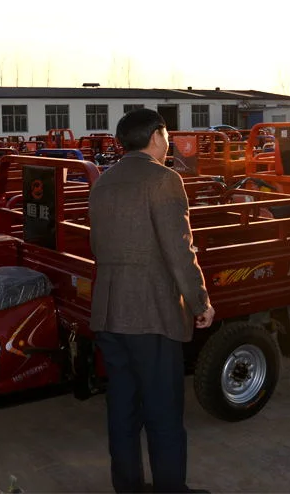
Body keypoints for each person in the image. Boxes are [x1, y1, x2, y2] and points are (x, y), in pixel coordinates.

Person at [89, 108, 215, 493]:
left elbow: (99, 246)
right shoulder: (163, 179)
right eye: (167, 136)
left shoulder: (103, 182)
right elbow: (180, 251)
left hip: (110, 312)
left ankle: (127, 486)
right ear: (157, 136)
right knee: (163, 414)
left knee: (123, 411)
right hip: (152, 314)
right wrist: (200, 302)